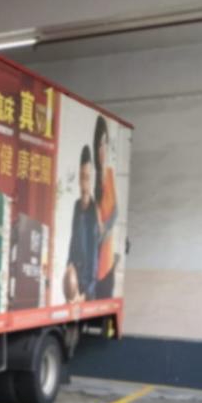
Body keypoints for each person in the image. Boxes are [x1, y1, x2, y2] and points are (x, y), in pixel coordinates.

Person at [64, 145, 99, 302]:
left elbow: (95, 257)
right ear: (79, 178)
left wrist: (85, 293)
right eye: (82, 177)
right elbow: (73, 242)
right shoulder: (76, 206)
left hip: (87, 292)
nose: (85, 183)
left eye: (88, 178)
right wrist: (69, 266)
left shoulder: (95, 211)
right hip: (73, 287)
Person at [93, 115, 118, 298]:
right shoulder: (93, 181)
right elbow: (94, 229)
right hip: (96, 264)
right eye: (100, 145)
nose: (103, 149)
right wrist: (102, 232)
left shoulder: (109, 175)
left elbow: (115, 212)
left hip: (108, 260)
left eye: (105, 143)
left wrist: (106, 229)